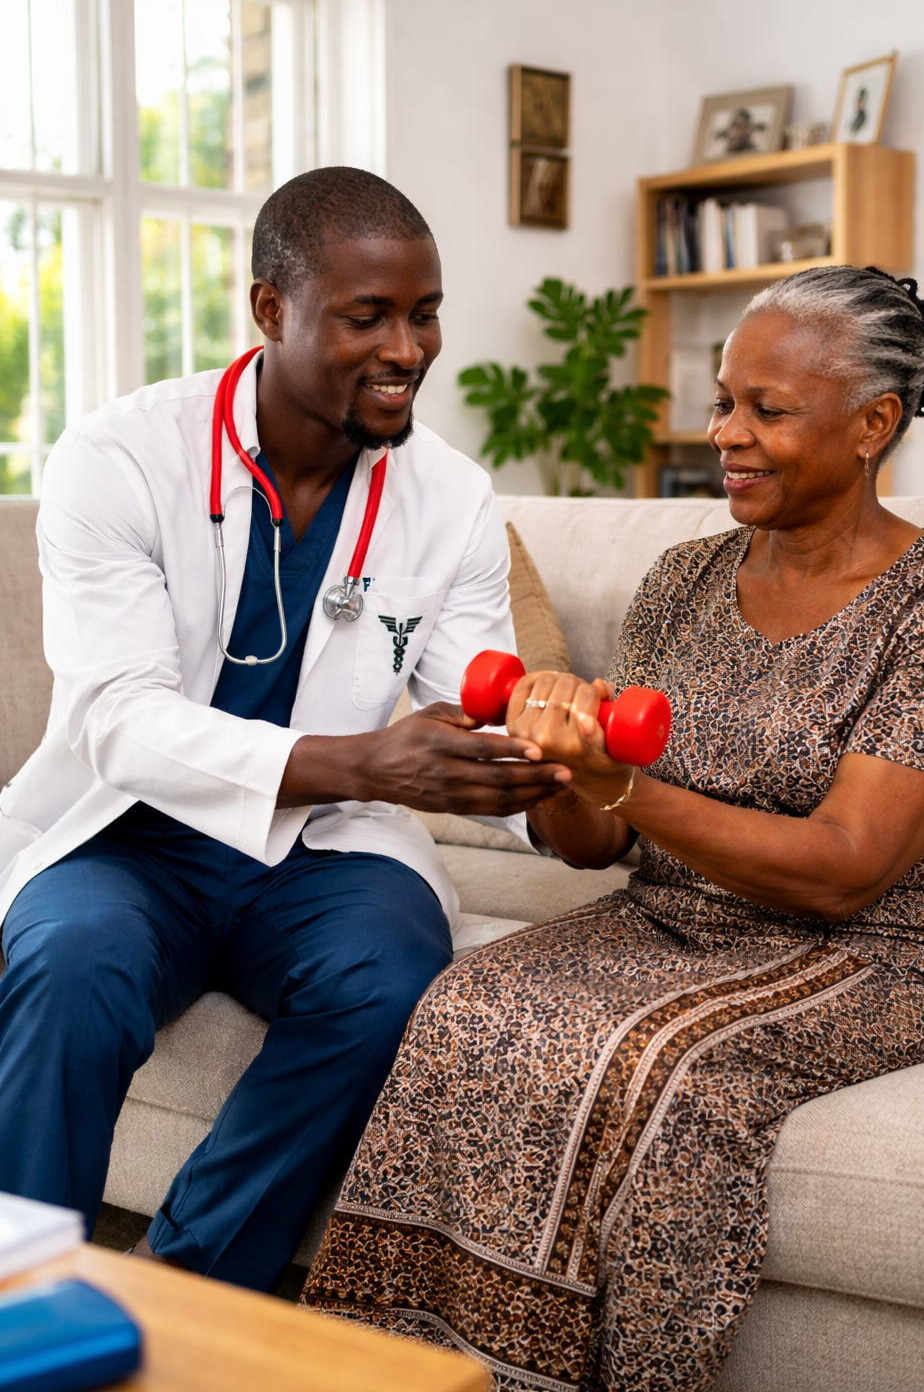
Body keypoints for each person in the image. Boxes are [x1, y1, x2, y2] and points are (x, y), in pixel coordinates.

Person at [302, 265, 924, 1392]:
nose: (723, 433)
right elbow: (590, 846)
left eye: (765, 411)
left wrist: (624, 791)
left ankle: (607, 1391)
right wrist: (552, 762)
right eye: (724, 399)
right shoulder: (682, 579)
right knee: (463, 1006)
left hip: (887, 947)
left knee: (667, 1070)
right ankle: (399, 1374)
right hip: (672, 916)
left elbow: (843, 872)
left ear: (872, 423)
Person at [0, 167, 569, 1293]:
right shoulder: (118, 461)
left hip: (323, 849)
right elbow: (117, 720)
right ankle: (22, 1298)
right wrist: (368, 759)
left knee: (393, 971)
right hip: (134, 834)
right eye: (368, 317)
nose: (407, 348)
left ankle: (195, 1288)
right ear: (271, 310)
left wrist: (550, 745)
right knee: (68, 961)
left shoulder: (448, 494)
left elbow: (483, 684)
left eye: (424, 312)